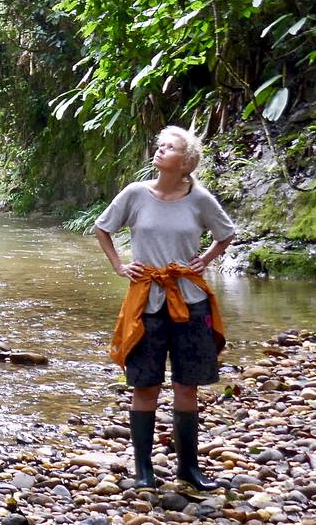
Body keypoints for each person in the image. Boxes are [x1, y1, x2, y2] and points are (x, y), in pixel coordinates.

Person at [95, 126, 236, 490]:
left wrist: (204, 260)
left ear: (186, 162)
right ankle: (144, 472)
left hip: (190, 300)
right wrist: (119, 266)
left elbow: (226, 233)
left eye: (169, 147)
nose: (160, 150)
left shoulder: (200, 199)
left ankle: (188, 468)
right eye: (159, 145)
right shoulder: (136, 194)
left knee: (187, 385)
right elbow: (103, 228)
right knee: (146, 385)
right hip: (145, 300)